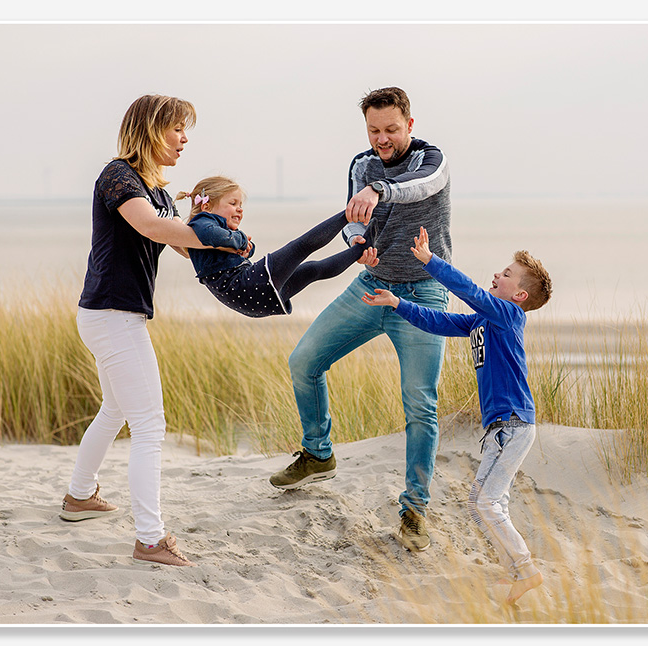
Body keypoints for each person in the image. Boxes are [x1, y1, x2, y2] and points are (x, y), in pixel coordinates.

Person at [269, 87, 452, 553]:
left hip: (424, 296)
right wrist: (357, 245)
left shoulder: (432, 160)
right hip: (371, 287)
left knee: (420, 405)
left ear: (410, 124)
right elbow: (353, 218)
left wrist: (380, 190)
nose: (382, 139)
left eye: (391, 129)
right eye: (374, 130)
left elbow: (418, 189)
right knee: (304, 361)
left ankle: (415, 509)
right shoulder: (362, 165)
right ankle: (318, 452)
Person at [61, 94, 217, 567]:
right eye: (177, 130)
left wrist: (214, 226)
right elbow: (151, 227)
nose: (184, 139)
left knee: (115, 409)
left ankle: (78, 497)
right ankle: (150, 539)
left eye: (186, 130)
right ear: (151, 129)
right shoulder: (118, 176)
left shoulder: (159, 192)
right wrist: (211, 235)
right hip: (112, 316)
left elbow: (183, 245)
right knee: (150, 425)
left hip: (108, 315)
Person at [363, 226, 552, 603]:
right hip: (503, 428)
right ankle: (517, 574)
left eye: (507, 273)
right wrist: (397, 304)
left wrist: (431, 262)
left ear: (519, 294)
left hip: (513, 425)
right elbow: (441, 321)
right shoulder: (483, 321)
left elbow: (469, 291)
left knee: (484, 503)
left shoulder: (508, 316)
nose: (497, 274)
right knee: (486, 503)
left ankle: (526, 570)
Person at [174, 176, 378, 318]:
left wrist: (245, 246)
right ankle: (350, 213)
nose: (239, 209)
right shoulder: (202, 221)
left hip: (250, 297)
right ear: (207, 206)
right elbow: (214, 235)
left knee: (313, 270)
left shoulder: (217, 231)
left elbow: (244, 250)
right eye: (233, 203)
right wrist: (241, 240)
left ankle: (360, 249)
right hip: (246, 286)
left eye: (241, 204)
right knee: (301, 247)